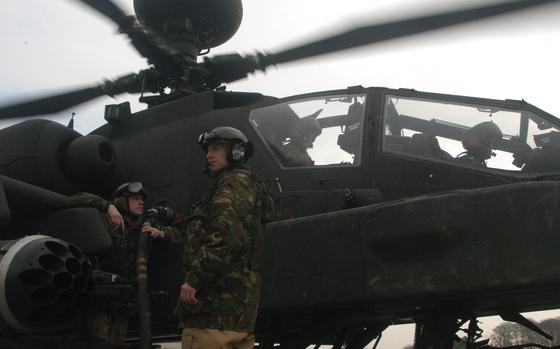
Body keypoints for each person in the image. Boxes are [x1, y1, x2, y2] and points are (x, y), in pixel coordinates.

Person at [176, 126, 273, 349]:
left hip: (214, 313)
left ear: (236, 152)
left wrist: (194, 280)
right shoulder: (248, 183)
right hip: (236, 315)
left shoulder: (233, 183)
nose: (209, 155)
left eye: (217, 149)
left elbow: (225, 236)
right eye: (208, 150)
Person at [69, 182, 179, 344]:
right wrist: (108, 206)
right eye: (135, 198)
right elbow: (75, 199)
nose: (141, 202)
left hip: (124, 305)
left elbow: (177, 233)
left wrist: (162, 233)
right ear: (121, 201)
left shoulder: (143, 227)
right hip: (101, 303)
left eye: (142, 199)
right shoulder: (106, 220)